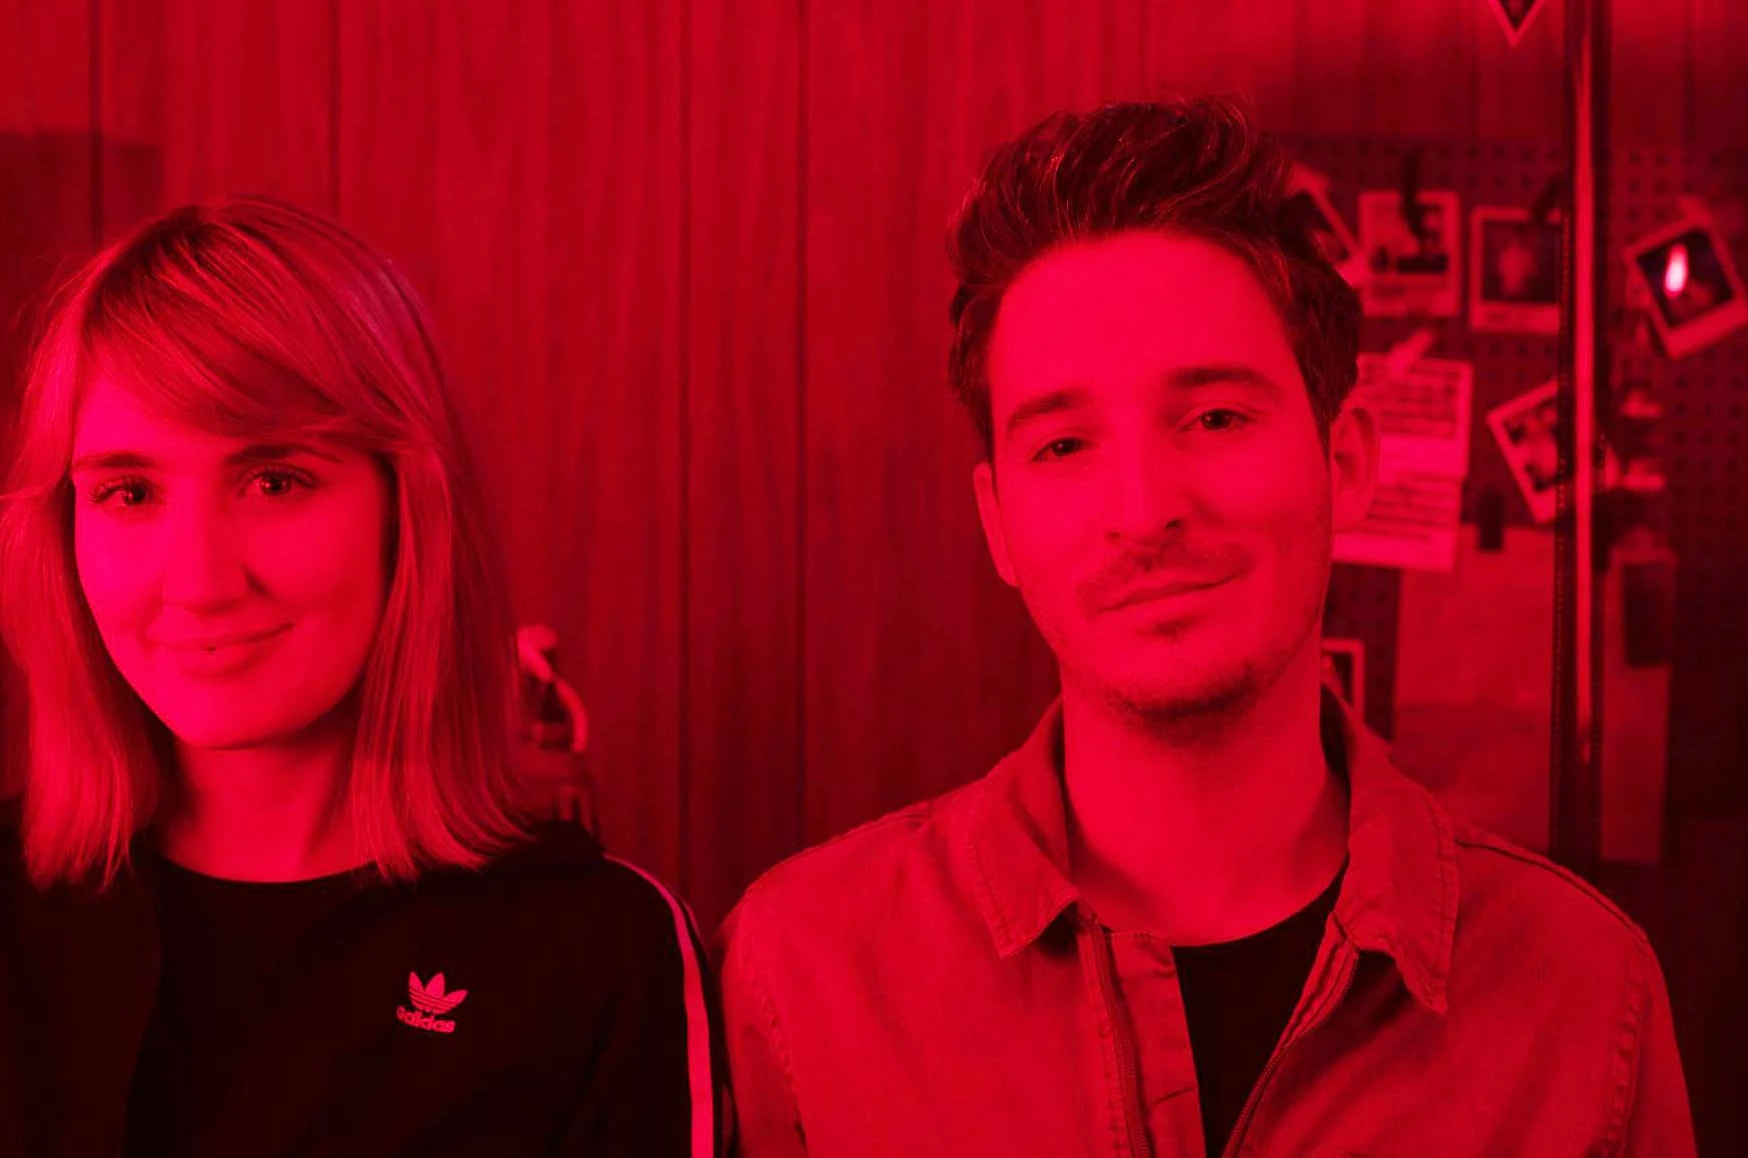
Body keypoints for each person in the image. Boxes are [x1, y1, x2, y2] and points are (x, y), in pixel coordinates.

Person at [717, 98, 1692, 1156]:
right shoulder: (800, 981)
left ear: (1346, 462)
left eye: (1216, 418)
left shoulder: (1587, 1000)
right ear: (997, 523)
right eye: (1064, 446)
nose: (1144, 512)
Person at [0, 197, 724, 1157]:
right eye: (129, 493)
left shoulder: (600, 954)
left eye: (275, 480)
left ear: (408, 510)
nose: (199, 582)